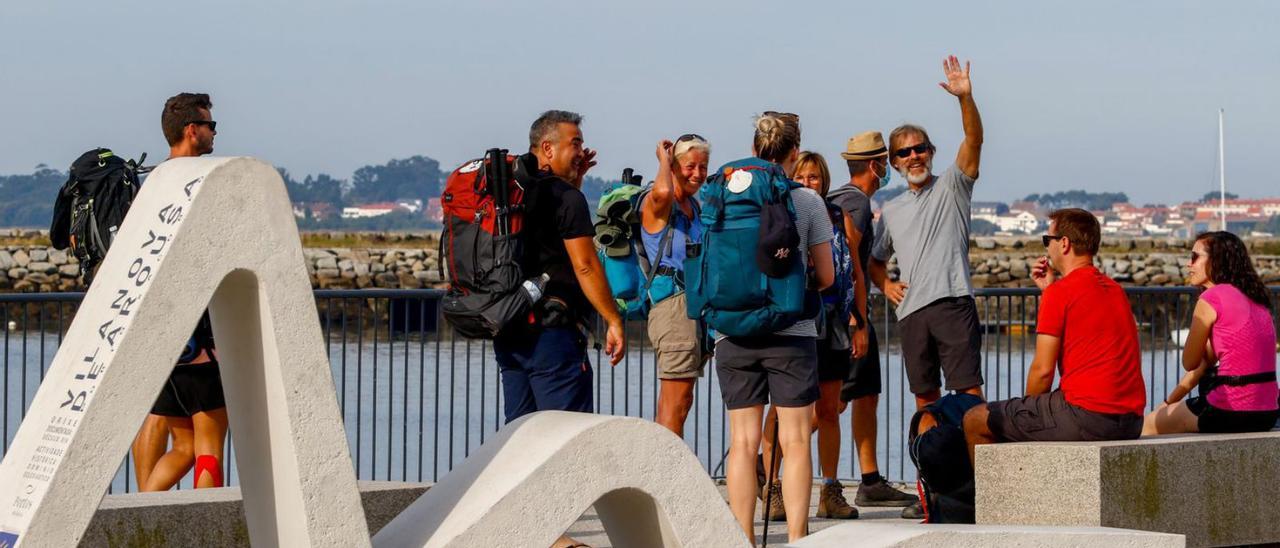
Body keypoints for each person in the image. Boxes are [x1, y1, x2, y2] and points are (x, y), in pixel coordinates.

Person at [868, 56, 985, 518]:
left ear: (931, 151)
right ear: (894, 163)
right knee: (926, 408)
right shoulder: (891, 208)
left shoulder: (953, 186)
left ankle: (982, 487)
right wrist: (886, 286)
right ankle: (930, 493)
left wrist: (965, 97)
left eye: (920, 149)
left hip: (954, 304)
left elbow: (974, 139)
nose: (913, 156)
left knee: (971, 402)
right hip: (912, 315)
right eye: (904, 152)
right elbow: (874, 261)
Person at [716, 112, 834, 544]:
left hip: (732, 332)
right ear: (795, 153)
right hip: (792, 331)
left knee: (744, 443)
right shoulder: (807, 201)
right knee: (797, 440)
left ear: (754, 151)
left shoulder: (724, 196)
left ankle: (742, 537)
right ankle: (798, 538)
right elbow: (827, 276)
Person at [964, 209, 1146, 460]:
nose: (1046, 248)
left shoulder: (1061, 294)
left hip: (1089, 417)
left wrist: (1026, 410)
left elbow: (1043, 371)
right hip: (1132, 421)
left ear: (1064, 243)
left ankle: (980, 500)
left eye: (1047, 240)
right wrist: (1049, 290)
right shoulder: (1115, 290)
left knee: (975, 419)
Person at [496, 110, 624, 425]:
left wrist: (575, 179)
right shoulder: (566, 198)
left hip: (510, 329)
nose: (581, 151)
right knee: (566, 437)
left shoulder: (513, 192)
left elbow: (549, 233)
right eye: (575, 143)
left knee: (519, 435)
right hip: (552, 333)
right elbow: (585, 266)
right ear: (548, 148)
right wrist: (612, 320)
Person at [758, 151, 861, 521]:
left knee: (829, 409)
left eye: (814, 177)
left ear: (825, 180)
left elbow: (855, 272)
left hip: (831, 316)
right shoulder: (780, 211)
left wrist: (859, 320)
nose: (808, 183)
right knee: (781, 411)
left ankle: (830, 489)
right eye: (801, 176)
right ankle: (772, 487)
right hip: (795, 314)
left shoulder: (836, 216)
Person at [134, 92, 229, 491]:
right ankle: (210, 531)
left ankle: (141, 520)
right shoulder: (201, 183)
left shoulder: (151, 183)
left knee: (183, 445)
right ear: (192, 130)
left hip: (162, 343)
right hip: (200, 343)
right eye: (210, 126)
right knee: (208, 446)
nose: (214, 134)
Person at [827, 132, 918, 510]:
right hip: (851, 317)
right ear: (874, 165)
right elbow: (849, 264)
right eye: (886, 160)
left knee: (864, 395)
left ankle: (870, 479)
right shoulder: (858, 205)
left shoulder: (839, 199)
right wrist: (857, 319)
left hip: (845, 313)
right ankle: (767, 466)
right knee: (833, 403)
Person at [1143, 231, 1278, 435]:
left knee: (1147, 426)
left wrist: (1164, 410)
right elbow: (1200, 370)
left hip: (1229, 409)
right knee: (1164, 416)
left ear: (1215, 260)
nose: (1189, 264)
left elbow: (1190, 363)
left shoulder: (1211, 298)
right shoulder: (1256, 298)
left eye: (1195, 257)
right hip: (1268, 411)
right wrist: (1168, 403)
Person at [643, 134, 711, 437]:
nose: (697, 173)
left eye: (703, 167)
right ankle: (665, 478)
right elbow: (661, 191)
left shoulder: (693, 207)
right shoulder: (658, 205)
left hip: (694, 305)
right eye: (690, 166)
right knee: (674, 401)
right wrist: (664, 162)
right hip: (672, 306)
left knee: (683, 400)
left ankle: (666, 470)